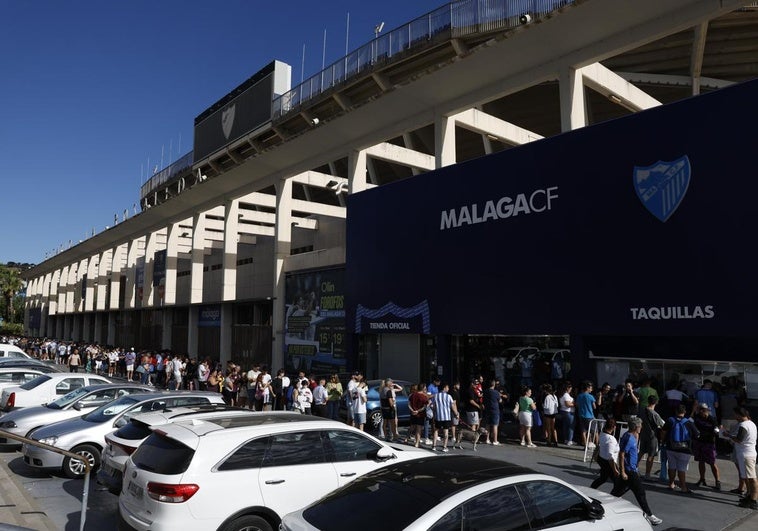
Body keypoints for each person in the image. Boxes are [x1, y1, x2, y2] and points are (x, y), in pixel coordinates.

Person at [611, 418, 663, 526]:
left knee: (617, 492)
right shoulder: (630, 438)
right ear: (636, 427)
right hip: (629, 471)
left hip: (631, 469)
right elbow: (622, 454)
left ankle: (603, 505)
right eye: (640, 426)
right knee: (640, 493)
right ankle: (650, 515)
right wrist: (623, 471)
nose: (641, 428)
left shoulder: (630, 435)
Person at [724, 407, 757, 510]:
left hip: (746, 454)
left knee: (752, 478)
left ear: (739, 414)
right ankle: (749, 496)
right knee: (748, 477)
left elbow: (739, 439)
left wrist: (728, 435)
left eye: (735, 414)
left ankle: (753, 500)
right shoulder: (751, 423)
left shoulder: (743, 425)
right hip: (747, 453)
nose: (734, 416)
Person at [662, 404, 698, 494]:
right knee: (682, 468)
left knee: (671, 466)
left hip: (671, 447)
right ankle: (683, 487)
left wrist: (663, 441)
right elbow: (696, 434)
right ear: (684, 412)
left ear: (676, 411)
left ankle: (671, 484)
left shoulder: (670, 420)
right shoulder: (688, 422)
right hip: (685, 449)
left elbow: (663, 431)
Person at [692, 403, 721, 490]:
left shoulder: (712, 419)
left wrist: (717, 431)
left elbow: (717, 431)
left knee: (712, 462)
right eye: (700, 410)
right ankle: (702, 479)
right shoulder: (697, 417)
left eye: (703, 411)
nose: (702, 412)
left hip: (709, 443)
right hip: (699, 442)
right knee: (701, 461)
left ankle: (717, 481)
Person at [638, 395, 665, 480]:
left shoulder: (642, 411)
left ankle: (633, 468)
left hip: (643, 434)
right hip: (652, 436)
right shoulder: (654, 414)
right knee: (651, 455)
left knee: (641, 453)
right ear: (656, 402)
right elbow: (662, 424)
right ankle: (647, 474)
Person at [591, 418, 619, 490]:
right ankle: (616, 496)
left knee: (603, 478)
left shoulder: (602, 434)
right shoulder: (611, 439)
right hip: (609, 462)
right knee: (617, 482)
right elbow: (610, 456)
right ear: (614, 427)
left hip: (601, 459)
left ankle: (591, 488)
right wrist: (614, 469)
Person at [430, 382, 458, 452]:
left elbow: (434, 407)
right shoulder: (449, 396)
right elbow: (452, 406)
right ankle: (444, 447)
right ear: (444, 388)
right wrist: (456, 414)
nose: (448, 389)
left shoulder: (436, 396)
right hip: (446, 417)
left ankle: (434, 446)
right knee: (446, 432)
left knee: (436, 431)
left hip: (438, 416)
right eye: (447, 387)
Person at [408, 383, 429, 448]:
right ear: (423, 388)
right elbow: (424, 407)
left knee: (413, 427)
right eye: (425, 388)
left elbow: (408, 404)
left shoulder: (413, 395)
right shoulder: (423, 397)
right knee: (418, 429)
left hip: (413, 414)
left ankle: (408, 438)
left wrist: (412, 410)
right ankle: (417, 443)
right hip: (420, 415)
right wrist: (417, 411)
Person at [576, 381, 597, 448]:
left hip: (581, 415)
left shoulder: (579, 396)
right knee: (595, 431)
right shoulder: (591, 396)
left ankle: (585, 445)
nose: (591, 389)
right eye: (590, 388)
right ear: (587, 388)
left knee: (583, 431)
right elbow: (594, 407)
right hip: (590, 416)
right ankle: (598, 445)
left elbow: (577, 405)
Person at [483, 379, 502, 445]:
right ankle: (495, 440)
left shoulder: (485, 391)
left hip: (487, 409)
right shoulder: (496, 392)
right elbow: (500, 400)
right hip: (495, 409)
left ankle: (487, 439)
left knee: (487, 424)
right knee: (495, 425)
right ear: (493, 384)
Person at [559, 381, 576, 446]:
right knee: (571, 426)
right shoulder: (566, 395)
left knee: (565, 426)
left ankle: (566, 439)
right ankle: (570, 440)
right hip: (568, 412)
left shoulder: (562, 394)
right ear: (567, 388)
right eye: (570, 387)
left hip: (564, 411)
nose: (571, 389)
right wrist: (574, 404)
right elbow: (567, 404)